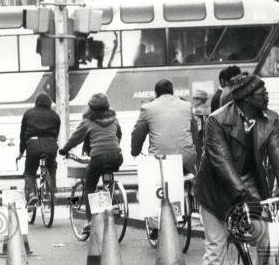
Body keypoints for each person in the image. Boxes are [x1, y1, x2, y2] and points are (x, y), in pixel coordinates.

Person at [193, 73, 279, 265]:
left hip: (249, 184)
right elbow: (221, 161)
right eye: (262, 91)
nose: (267, 95)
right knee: (216, 247)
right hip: (216, 190)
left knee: (264, 238)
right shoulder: (217, 120)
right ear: (247, 97)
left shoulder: (269, 119)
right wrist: (240, 194)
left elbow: (277, 152)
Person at [59, 93, 123, 226]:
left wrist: (64, 149)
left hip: (98, 157)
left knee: (89, 186)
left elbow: (76, 138)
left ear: (91, 107)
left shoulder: (88, 121)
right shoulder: (114, 119)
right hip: (116, 156)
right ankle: (110, 203)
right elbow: (119, 135)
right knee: (107, 178)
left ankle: (90, 220)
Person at [130, 78, 198, 175]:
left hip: (159, 159)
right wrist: (192, 147)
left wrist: (135, 151)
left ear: (156, 93)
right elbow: (194, 130)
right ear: (172, 92)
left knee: (158, 181)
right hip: (185, 158)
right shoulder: (187, 106)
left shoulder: (148, 108)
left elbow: (138, 133)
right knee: (190, 179)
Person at [17, 93, 61, 206]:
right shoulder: (55, 115)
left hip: (33, 144)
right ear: (49, 103)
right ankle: (52, 191)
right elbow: (57, 134)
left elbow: (22, 135)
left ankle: (32, 194)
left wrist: (21, 152)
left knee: (30, 172)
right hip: (51, 144)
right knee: (51, 165)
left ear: (36, 102)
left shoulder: (28, 114)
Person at [191, 83, 210, 160]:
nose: (194, 101)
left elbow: (198, 128)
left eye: (196, 99)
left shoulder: (197, 111)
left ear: (200, 100)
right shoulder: (208, 109)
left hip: (199, 139)